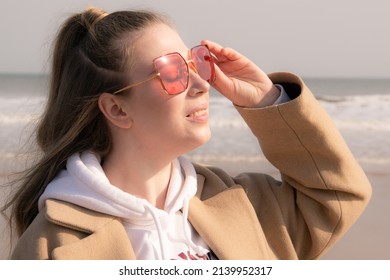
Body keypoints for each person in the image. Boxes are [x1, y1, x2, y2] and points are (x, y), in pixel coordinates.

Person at [2, 6, 371, 260]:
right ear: (117, 108)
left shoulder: (242, 205)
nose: (201, 84)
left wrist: (269, 100)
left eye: (196, 63)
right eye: (173, 71)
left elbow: (337, 196)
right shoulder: (54, 246)